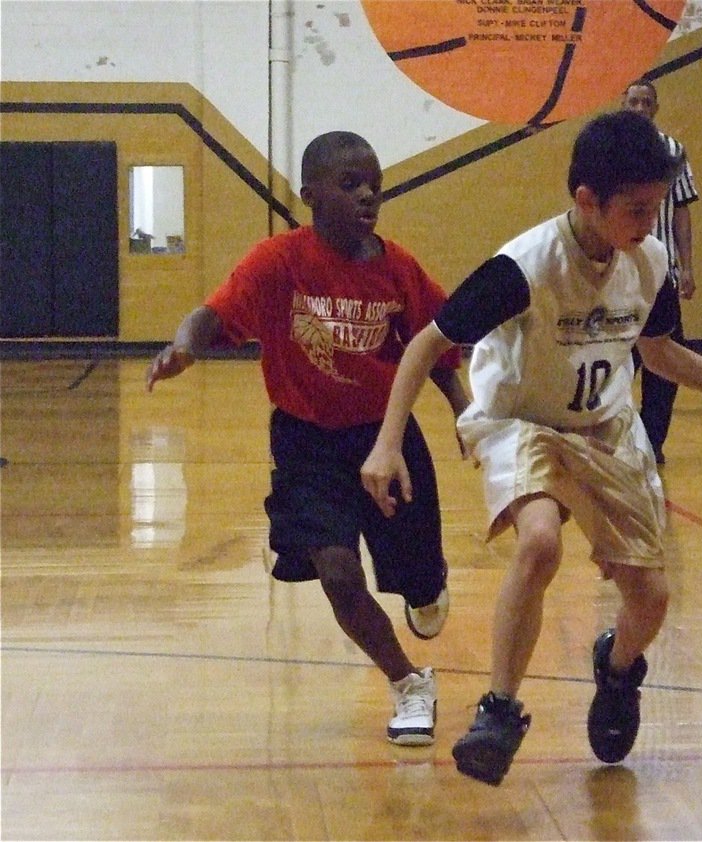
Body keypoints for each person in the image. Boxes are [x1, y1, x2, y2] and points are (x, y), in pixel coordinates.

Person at [361, 110, 702, 785]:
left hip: (604, 428)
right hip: (521, 421)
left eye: (657, 206)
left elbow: (659, 353)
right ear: (586, 200)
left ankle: (617, 673)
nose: (650, 223)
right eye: (637, 209)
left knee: (649, 598)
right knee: (539, 542)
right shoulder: (524, 266)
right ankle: (499, 710)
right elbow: (426, 344)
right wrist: (387, 444)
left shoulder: (648, 262)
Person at [146, 130, 469, 745]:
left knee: (421, 583)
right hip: (307, 442)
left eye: (374, 183)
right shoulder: (278, 262)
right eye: (350, 185)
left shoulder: (398, 269)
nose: (368, 195)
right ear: (311, 196)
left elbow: (440, 348)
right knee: (339, 572)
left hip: (387, 437)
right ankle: (407, 683)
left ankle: (425, 585)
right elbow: (212, 313)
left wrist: (463, 411)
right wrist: (183, 348)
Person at [621, 78, 699, 466]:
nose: (639, 107)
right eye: (632, 101)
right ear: (624, 105)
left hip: (661, 274)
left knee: (666, 365)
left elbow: (683, 210)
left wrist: (687, 266)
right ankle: (616, 439)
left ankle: (652, 443)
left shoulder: (673, 152)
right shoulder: (609, 150)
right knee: (621, 361)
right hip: (617, 274)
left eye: (645, 102)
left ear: (655, 108)